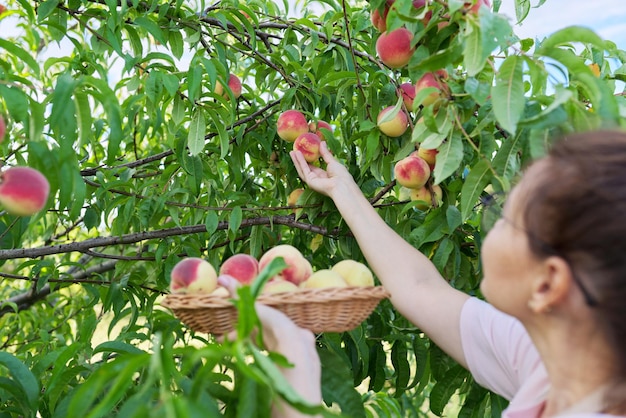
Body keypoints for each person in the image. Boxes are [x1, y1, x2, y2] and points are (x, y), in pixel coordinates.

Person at [224, 129, 626, 417]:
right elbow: (418, 287)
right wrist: (341, 189)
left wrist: (293, 361)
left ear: (548, 283)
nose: (491, 222)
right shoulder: (553, 361)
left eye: (506, 216)